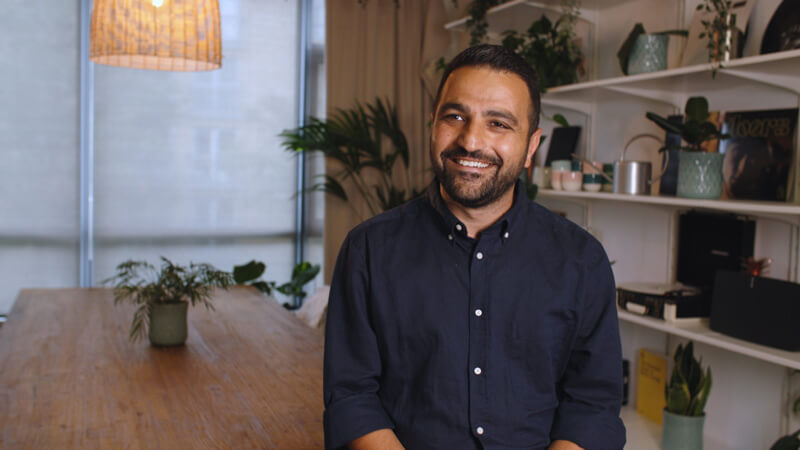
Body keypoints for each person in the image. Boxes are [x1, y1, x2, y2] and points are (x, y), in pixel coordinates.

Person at [323, 44, 626, 450]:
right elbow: (351, 397)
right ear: (433, 124)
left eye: (498, 123)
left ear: (531, 146)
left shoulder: (581, 260)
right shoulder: (368, 250)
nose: (470, 141)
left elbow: (592, 408)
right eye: (455, 117)